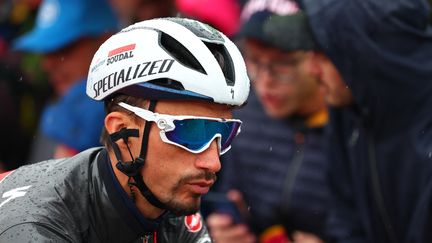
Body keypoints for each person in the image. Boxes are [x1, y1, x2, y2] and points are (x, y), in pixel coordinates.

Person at [0, 17, 250, 242]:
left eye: (223, 133)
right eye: (191, 132)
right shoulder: (34, 226)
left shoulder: (168, 201)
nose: (213, 162)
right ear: (122, 132)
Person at [298, 0, 432, 242]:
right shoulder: (351, 109)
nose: (311, 69)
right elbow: (344, 217)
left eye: (325, 55)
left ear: (368, 53)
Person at [205, 0, 330, 242]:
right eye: (253, 60)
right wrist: (219, 231)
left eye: (282, 65)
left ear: (318, 58)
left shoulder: (354, 125)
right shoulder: (242, 112)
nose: (264, 81)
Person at [13, 0, 119, 162]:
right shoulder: (53, 103)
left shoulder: (125, 104)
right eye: (45, 52)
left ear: (107, 41)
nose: (47, 64)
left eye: (63, 48)